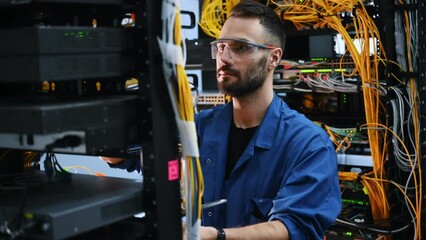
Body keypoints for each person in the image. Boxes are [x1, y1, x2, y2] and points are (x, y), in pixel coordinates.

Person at [104, 0, 342, 239]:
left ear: (273, 57)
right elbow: (122, 155)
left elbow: (294, 227)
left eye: (240, 47)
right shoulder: (198, 128)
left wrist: (218, 236)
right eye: (220, 47)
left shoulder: (308, 144)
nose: (224, 58)